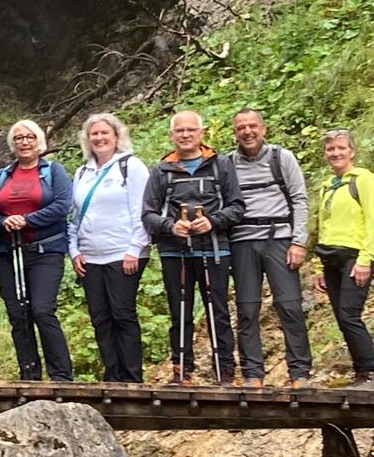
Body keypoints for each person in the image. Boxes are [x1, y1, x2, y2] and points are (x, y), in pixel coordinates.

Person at [142, 111, 243, 384]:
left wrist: (212, 222)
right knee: (179, 310)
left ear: (202, 133)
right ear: (171, 135)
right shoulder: (161, 170)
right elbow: (148, 214)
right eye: (179, 131)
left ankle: (226, 371)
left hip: (214, 248)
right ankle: (182, 370)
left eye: (191, 130)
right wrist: (169, 226)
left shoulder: (220, 165)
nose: (185, 135)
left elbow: (237, 207)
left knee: (218, 310)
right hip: (175, 252)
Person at [226, 109, 312, 387]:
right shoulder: (227, 164)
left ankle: (299, 372)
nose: (247, 132)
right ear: (235, 132)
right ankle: (253, 374)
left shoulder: (281, 158)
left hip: (279, 240)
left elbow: (299, 199)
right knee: (247, 309)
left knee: (289, 306)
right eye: (241, 128)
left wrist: (299, 241)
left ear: (263, 128)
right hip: (242, 243)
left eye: (252, 126)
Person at [0, 120, 74, 381]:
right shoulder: (2, 176)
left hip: (45, 251)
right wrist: (3, 222)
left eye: (30, 137)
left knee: (42, 310)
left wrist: (27, 220)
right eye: (18, 138)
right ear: (12, 145)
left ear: (39, 142)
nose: (24, 142)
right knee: (18, 313)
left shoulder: (53, 172)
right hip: (9, 251)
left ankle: (61, 376)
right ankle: (29, 374)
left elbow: (62, 205)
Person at [68, 113, 150, 382]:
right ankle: (112, 375)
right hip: (90, 256)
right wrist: (74, 250)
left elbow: (142, 210)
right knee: (100, 317)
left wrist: (135, 248)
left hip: (123, 253)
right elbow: (74, 216)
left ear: (116, 136)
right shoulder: (82, 172)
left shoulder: (131, 167)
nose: (100, 138)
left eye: (105, 133)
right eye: (94, 134)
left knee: (122, 313)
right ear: (87, 139)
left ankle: (132, 377)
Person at [313, 130, 374, 387]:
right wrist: (318, 265)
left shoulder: (363, 180)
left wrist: (365, 259)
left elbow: (372, 220)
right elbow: (322, 226)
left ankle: (370, 372)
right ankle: (361, 373)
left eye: (341, 148)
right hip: (331, 258)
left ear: (352, 151)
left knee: (349, 314)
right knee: (341, 317)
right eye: (330, 149)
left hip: (354, 257)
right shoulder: (328, 185)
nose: (335, 153)